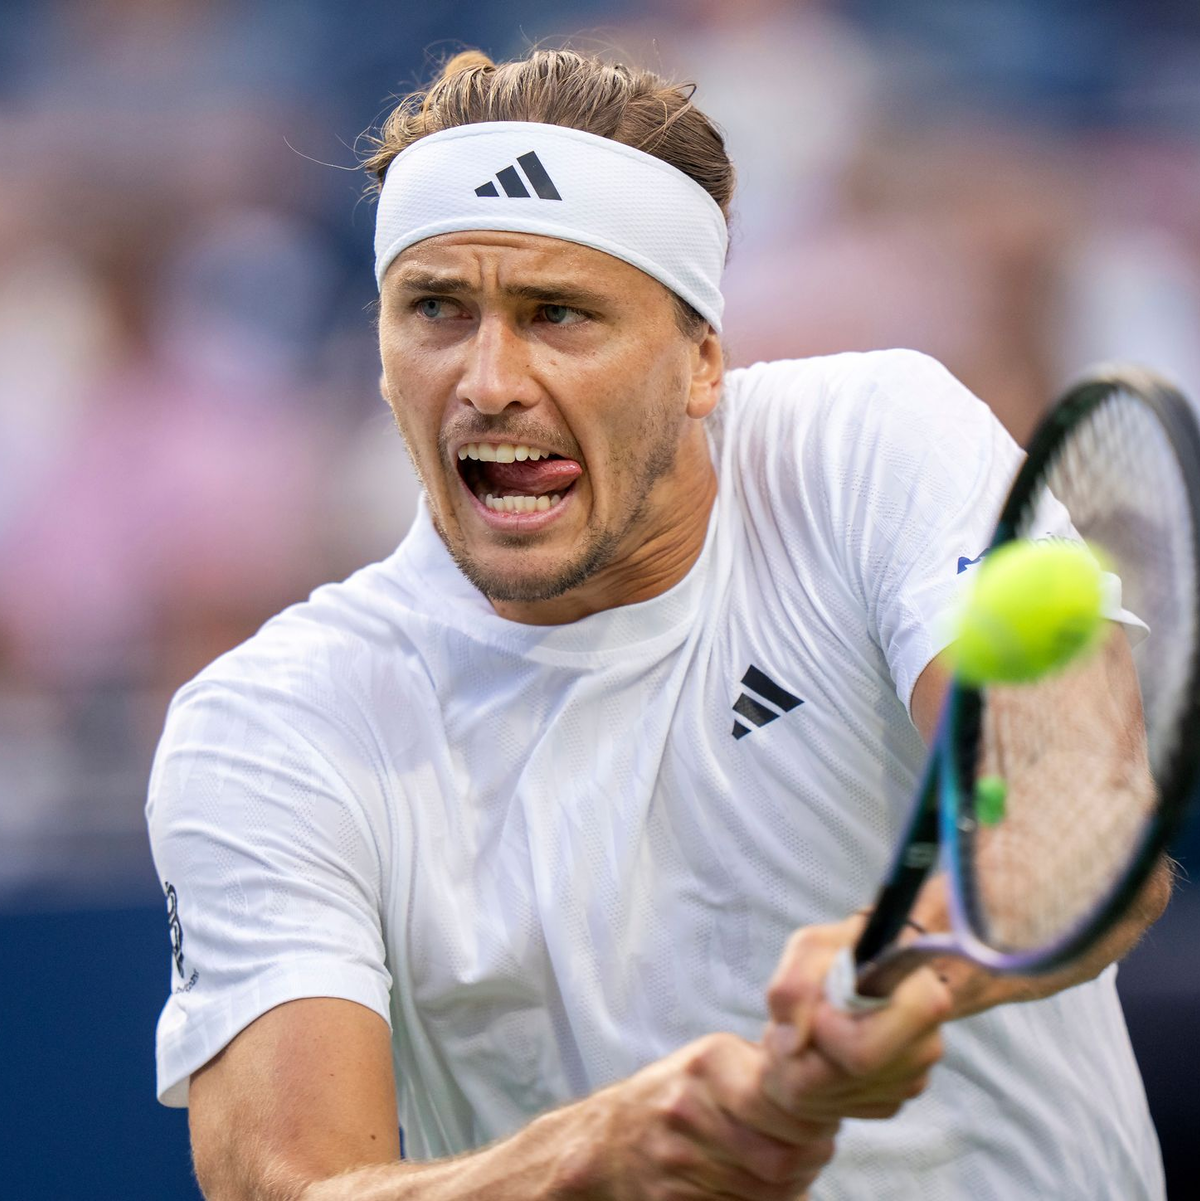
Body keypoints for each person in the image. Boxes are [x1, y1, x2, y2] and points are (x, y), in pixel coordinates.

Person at [146, 48, 1168, 1200]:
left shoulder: (879, 441)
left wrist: (917, 959)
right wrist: (596, 1156)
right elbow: (286, 1184)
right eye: (435, 308)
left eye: (558, 314)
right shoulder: (269, 725)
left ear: (702, 362)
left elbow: (1081, 819)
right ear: (382, 357)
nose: (487, 379)